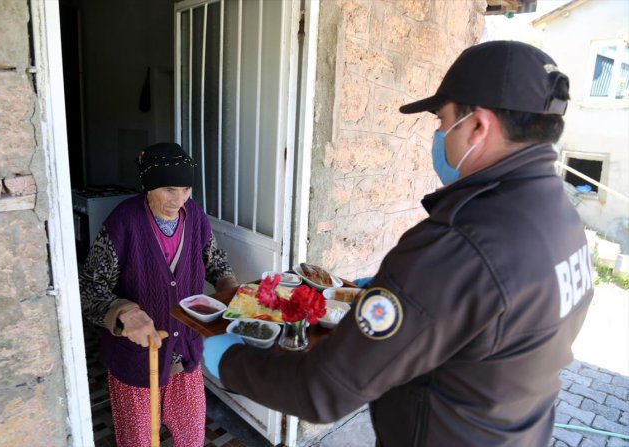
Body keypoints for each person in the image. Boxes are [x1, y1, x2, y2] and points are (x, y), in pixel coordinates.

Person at [202, 41, 594, 446]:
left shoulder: (457, 243)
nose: (439, 134)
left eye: (442, 121)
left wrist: (226, 358)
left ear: (478, 126)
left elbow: (323, 389)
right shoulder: (560, 219)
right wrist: (402, 294)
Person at [80, 142, 238, 447]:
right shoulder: (123, 222)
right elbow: (89, 288)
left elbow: (214, 259)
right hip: (138, 359)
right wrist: (125, 313)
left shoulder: (194, 216)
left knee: (191, 436)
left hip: (186, 351)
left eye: (185, 188)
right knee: (138, 440)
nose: (179, 199)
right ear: (148, 188)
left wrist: (230, 289)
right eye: (168, 189)